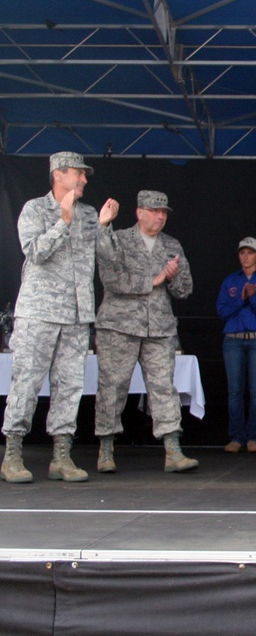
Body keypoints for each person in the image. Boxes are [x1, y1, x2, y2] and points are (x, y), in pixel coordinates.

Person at [1, 152, 118, 484]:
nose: (83, 180)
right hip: (39, 312)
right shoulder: (35, 210)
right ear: (59, 174)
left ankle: (61, 457)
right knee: (26, 384)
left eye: (84, 175)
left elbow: (108, 257)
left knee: (69, 388)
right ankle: (11, 456)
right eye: (78, 174)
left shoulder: (88, 214)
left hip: (77, 315)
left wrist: (104, 226)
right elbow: (35, 251)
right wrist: (62, 221)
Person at [94, 190, 198, 474]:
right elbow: (111, 279)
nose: (160, 216)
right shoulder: (120, 240)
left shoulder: (171, 245)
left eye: (164, 212)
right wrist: (155, 279)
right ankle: (106, 449)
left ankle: (173, 450)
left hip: (159, 329)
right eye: (154, 211)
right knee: (112, 387)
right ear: (139, 212)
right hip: (119, 327)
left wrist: (173, 277)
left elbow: (185, 289)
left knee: (164, 387)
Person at [216, 237, 256, 453]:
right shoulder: (230, 281)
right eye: (242, 253)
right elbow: (222, 311)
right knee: (234, 391)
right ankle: (236, 437)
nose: (246, 257)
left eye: (250, 253)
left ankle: (254, 437)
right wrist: (241, 298)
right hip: (233, 341)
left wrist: (254, 299)